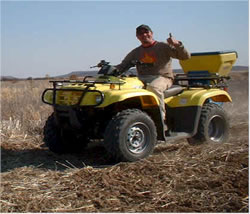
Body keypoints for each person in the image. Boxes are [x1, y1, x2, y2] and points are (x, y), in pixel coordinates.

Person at [115, 24, 191, 130]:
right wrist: (109, 70)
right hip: (142, 78)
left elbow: (185, 56)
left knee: (153, 88)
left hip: (163, 77)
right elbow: (122, 66)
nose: (144, 35)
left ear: (152, 33)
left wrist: (177, 44)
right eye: (140, 34)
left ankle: (160, 121)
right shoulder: (136, 52)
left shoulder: (163, 46)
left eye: (146, 32)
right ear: (137, 37)